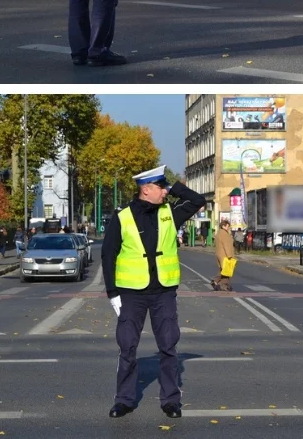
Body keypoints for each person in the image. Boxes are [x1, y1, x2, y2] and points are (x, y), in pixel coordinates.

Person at [101, 165, 206, 419]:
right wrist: (113, 293)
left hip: (163, 292)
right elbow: (108, 254)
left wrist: (173, 186)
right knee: (127, 348)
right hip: (131, 293)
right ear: (146, 190)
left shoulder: (169, 212)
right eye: (161, 187)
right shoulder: (122, 217)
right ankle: (124, 400)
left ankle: (170, 401)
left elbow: (198, 200)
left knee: (169, 346)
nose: (166, 192)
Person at [212, 219, 236, 292]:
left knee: (223, 270)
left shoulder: (218, 233)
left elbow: (215, 244)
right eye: (227, 226)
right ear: (223, 226)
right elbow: (227, 246)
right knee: (226, 271)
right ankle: (219, 283)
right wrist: (229, 256)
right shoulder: (224, 234)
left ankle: (222, 285)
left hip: (219, 254)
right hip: (225, 255)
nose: (228, 228)